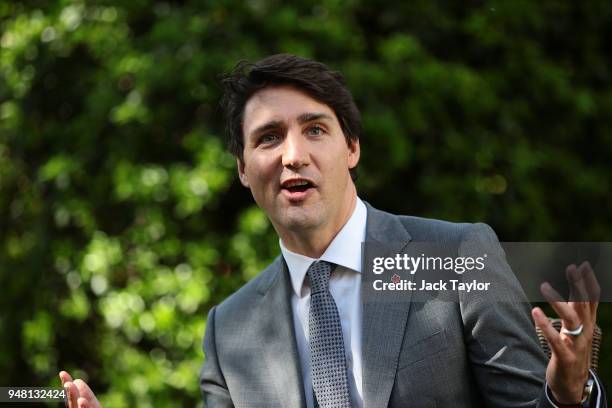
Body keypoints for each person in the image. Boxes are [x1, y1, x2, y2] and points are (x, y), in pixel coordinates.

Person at [60, 54, 606, 408]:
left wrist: (567, 396)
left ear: (351, 148)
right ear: (244, 170)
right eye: (268, 138)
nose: (293, 156)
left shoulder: (456, 254)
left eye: (315, 130)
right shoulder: (229, 331)